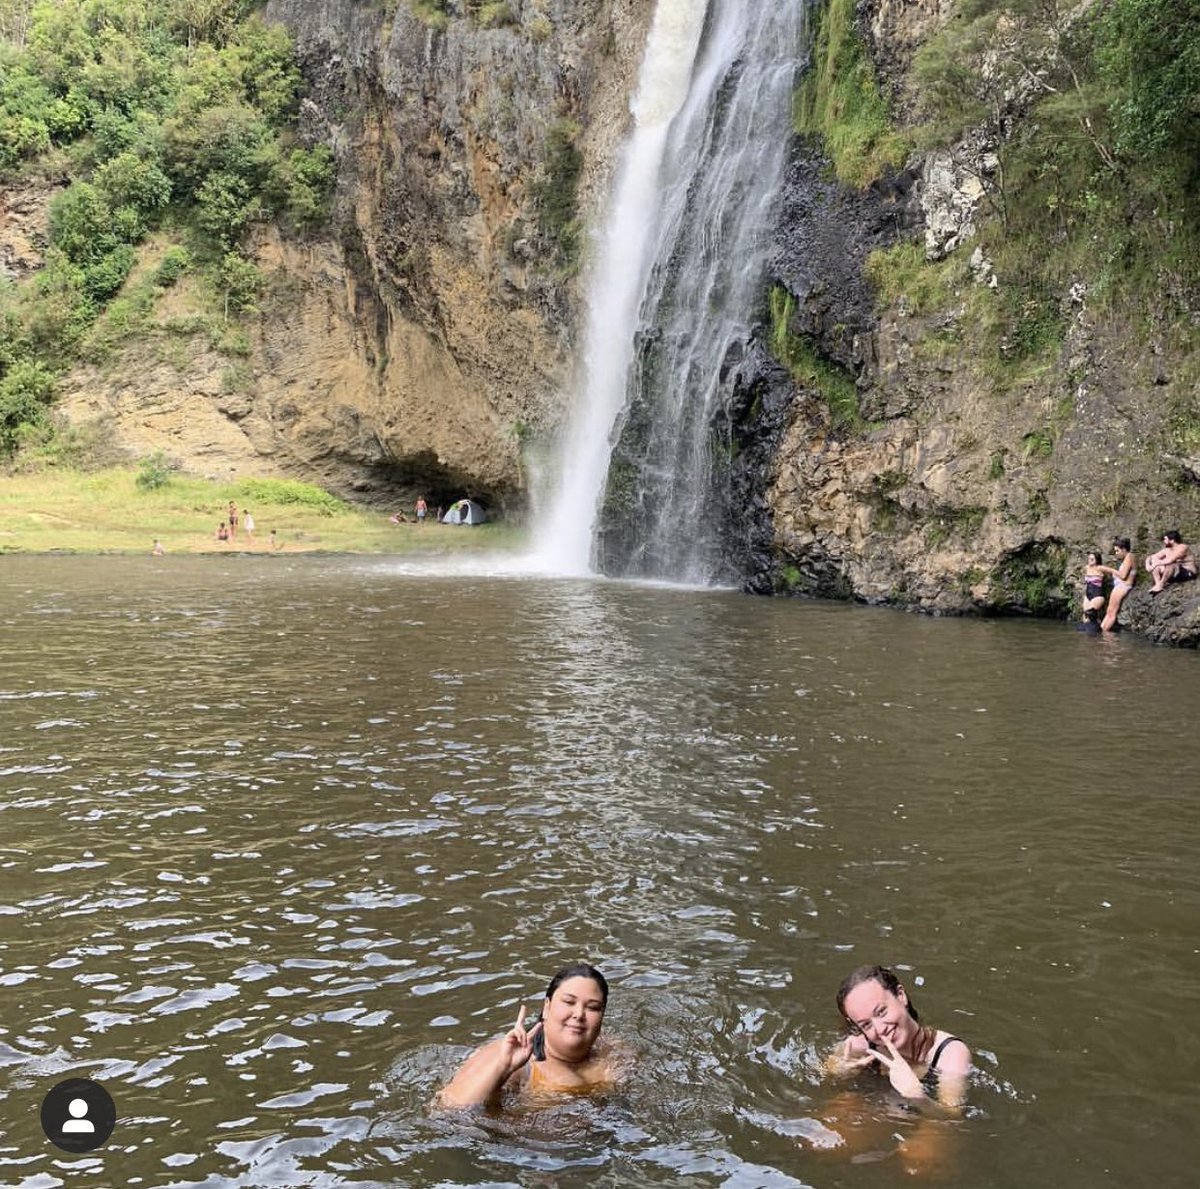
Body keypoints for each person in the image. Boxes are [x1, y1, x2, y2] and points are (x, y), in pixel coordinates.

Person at [438, 962, 621, 1109]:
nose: (579, 1014)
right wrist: (503, 1068)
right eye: (568, 1002)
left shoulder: (613, 1052)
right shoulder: (510, 1056)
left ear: (602, 1015)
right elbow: (448, 1107)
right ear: (547, 1007)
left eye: (593, 1007)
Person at [826, 965, 970, 1109]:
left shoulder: (950, 1054)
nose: (880, 1029)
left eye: (881, 1012)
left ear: (901, 996)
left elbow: (951, 1118)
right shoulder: (861, 1046)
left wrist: (917, 1095)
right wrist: (841, 1071)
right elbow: (827, 1069)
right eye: (866, 1025)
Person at [1100, 537, 1136, 631]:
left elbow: (1123, 575)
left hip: (1123, 586)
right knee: (1109, 611)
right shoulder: (1127, 558)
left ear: (1124, 549)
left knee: (1112, 613)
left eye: (1117, 551)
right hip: (1120, 586)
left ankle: (1103, 634)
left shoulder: (1129, 556)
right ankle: (1102, 630)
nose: (1116, 554)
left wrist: (1109, 570)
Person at [1081, 550, 1106, 618]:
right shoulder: (1087, 567)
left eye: (1092, 559)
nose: (1089, 561)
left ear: (1097, 560)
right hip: (1088, 595)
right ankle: (1098, 627)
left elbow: (1113, 571)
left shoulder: (1100, 568)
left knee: (1090, 614)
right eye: (1089, 559)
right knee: (1085, 616)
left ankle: (1098, 627)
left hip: (1098, 595)